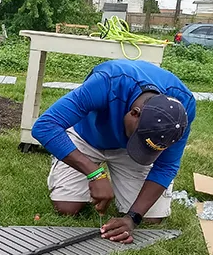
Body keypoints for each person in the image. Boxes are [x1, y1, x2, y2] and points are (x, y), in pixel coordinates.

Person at [31, 60, 196, 244]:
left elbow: (167, 166)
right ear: (134, 113)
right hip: (87, 137)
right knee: (66, 207)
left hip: (126, 150)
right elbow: (44, 126)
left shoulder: (183, 110)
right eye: (141, 142)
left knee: (150, 218)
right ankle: (67, 163)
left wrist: (133, 218)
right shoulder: (108, 82)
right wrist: (94, 173)